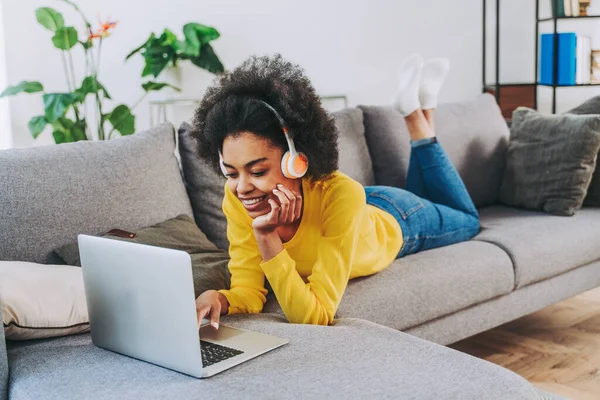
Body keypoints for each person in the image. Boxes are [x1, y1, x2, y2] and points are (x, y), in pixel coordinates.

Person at [189, 53, 480, 329]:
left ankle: (416, 119)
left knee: (468, 220)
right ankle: (423, 106)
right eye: (230, 173)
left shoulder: (341, 195)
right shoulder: (238, 197)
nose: (242, 188)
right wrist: (220, 298)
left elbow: (316, 316)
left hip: (398, 219)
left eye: (257, 171)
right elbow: (249, 293)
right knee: (432, 198)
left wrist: (266, 237)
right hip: (359, 208)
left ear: (296, 161)